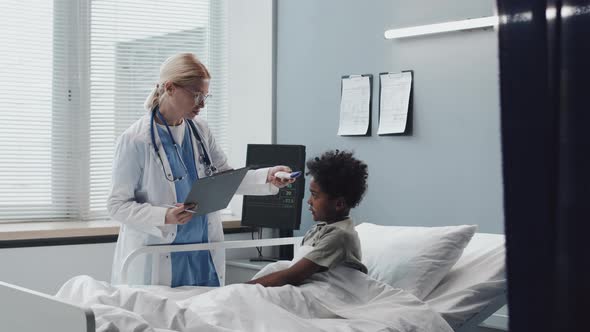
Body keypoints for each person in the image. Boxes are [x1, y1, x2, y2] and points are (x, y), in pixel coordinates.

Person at [108, 53, 294, 287]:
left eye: (205, 96)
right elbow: (117, 206)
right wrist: (164, 216)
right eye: (195, 95)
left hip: (202, 250)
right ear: (170, 88)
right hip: (159, 254)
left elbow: (224, 177)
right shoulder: (135, 140)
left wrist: (266, 177)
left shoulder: (200, 130)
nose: (202, 104)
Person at [248, 150, 368, 287]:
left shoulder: (339, 235)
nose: (309, 201)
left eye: (315, 195)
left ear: (339, 204)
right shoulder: (318, 229)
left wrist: (243, 287)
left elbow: (293, 275)